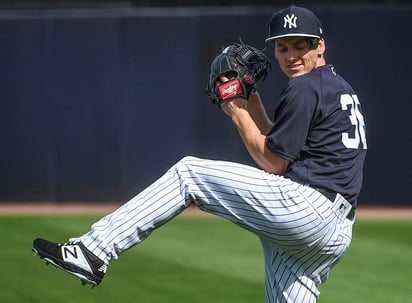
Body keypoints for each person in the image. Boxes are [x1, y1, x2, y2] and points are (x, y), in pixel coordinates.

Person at [32, 5, 367, 303]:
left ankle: (93, 251)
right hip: (334, 230)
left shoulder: (304, 86)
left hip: (307, 210)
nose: (291, 55)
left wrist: (235, 110)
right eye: (282, 47)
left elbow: (274, 163)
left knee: (189, 173)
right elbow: (280, 147)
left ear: (319, 45)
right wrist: (251, 101)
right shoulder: (335, 87)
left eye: (300, 45)